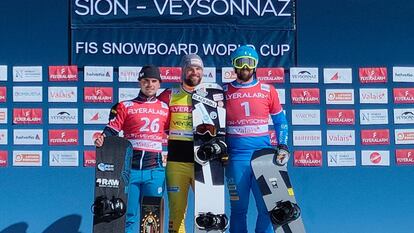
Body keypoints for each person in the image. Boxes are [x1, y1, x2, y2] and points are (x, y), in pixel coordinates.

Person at [94, 65, 169, 233]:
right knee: (128, 217)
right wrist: (101, 139)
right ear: (139, 83)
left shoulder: (165, 108)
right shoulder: (125, 106)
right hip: (130, 171)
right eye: (146, 81)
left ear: (159, 84)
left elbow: (175, 133)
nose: (149, 85)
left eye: (154, 81)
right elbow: (111, 130)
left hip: (154, 171)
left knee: (152, 219)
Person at [224, 45, 290, 233]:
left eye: (249, 62)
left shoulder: (268, 90)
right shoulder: (224, 91)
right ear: (234, 66)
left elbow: (281, 121)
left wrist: (283, 145)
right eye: (240, 62)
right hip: (236, 159)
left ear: (256, 65)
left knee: (268, 208)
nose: (245, 67)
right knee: (238, 210)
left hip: (264, 158)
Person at [157, 54, 204, 233]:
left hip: (203, 164)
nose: (195, 72)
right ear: (183, 71)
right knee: (177, 215)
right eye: (191, 68)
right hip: (176, 163)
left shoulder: (210, 95)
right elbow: (155, 119)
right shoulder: (169, 94)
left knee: (208, 213)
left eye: (198, 69)